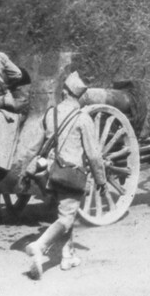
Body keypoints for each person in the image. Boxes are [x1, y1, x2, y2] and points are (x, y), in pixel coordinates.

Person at [25, 72, 107, 280]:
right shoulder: (82, 118)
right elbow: (94, 155)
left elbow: (37, 144)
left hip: (50, 174)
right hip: (71, 174)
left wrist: (28, 168)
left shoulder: (50, 114)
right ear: (78, 97)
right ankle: (39, 246)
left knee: (64, 212)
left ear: (64, 93)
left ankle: (66, 256)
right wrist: (101, 180)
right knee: (67, 217)